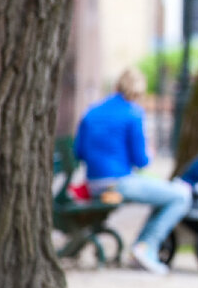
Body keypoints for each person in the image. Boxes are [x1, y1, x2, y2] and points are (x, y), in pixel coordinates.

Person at [74, 67, 191, 276]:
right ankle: (145, 247)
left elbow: (79, 152)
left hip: (94, 183)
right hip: (119, 183)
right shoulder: (132, 113)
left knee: (165, 193)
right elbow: (141, 160)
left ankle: (141, 248)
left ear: (116, 86)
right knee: (180, 195)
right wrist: (150, 153)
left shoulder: (91, 111)